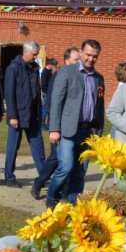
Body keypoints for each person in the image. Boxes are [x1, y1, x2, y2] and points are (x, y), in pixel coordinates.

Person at [46, 40, 104, 207]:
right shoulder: (67, 72)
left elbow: (99, 108)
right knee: (66, 167)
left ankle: (73, 202)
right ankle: (52, 197)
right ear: (81, 53)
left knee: (80, 171)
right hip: (67, 130)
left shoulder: (99, 78)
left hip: (88, 131)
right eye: (88, 55)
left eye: (95, 56)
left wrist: (98, 134)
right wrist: (54, 129)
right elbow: (56, 101)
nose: (91, 59)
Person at [32, 46, 80, 200]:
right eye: (76, 60)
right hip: (59, 127)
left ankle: (64, 192)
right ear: (67, 61)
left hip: (74, 127)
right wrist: (55, 128)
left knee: (69, 161)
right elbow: (54, 103)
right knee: (56, 159)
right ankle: (39, 184)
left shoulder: (81, 77)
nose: (79, 63)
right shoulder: (59, 76)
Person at [1, 41, 45, 187]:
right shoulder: (13, 69)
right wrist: (12, 115)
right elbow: (9, 93)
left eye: (37, 55)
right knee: (13, 147)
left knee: (38, 147)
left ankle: (44, 176)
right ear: (26, 52)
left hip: (32, 116)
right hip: (18, 116)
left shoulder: (34, 69)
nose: (35, 57)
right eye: (34, 54)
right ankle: (9, 177)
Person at [40, 57, 58, 130]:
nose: (55, 67)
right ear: (51, 65)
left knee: (48, 109)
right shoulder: (45, 72)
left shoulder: (51, 72)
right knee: (45, 109)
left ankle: (47, 125)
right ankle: (42, 125)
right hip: (46, 93)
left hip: (49, 93)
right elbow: (43, 85)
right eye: (54, 66)